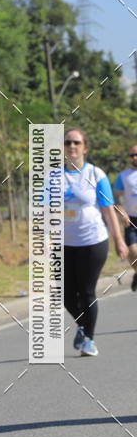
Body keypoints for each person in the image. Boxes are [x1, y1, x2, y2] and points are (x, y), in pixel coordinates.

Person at [63, 128, 128, 356]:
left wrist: (119, 240)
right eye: (68, 142)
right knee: (66, 294)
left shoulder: (95, 174)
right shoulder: (53, 177)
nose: (72, 146)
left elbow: (108, 211)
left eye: (76, 143)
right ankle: (83, 326)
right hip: (64, 244)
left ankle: (88, 339)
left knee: (86, 290)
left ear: (85, 147)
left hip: (93, 241)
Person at [112, 144, 137, 292]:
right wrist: (122, 212)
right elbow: (115, 199)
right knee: (133, 254)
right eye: (132, 155)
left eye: (136, 154)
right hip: (132, 220)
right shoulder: (123, 176)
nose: (134, 157)